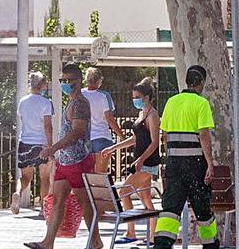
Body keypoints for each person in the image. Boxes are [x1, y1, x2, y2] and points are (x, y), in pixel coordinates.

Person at [25, 64, 101, 249]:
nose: (67, 84)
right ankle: (48, 242)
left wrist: (53, 148)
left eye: (70, 80)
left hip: (78, 160)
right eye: (63, 81)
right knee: (58, 200)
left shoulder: (81, 103)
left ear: (79, 80)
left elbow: (77, 132)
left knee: (84, 203)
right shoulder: (72, 101)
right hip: (66, 161)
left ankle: (95, 240)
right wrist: (58, 153)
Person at [153, 65, 218, 249]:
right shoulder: (201, 103)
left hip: (174, 165)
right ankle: (210, 245)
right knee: (202, 211)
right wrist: (209, 164)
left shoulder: (171, 102)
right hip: (195, 165)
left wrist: (171, 158)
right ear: (202, 82)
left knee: (170, 210)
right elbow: (203, 134)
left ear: (187, 81)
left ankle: (162, 244)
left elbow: (164, 136)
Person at [102, 77, 162, 245]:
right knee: (146, 199)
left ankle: (131, 232)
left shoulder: (152, 115)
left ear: (147, 97)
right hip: (141, 161)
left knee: (124, 192)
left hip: (147, 163)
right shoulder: (141, 114)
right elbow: (136, 138)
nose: (135, 100)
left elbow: (154, 142)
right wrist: (114, 148)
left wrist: (141, 159)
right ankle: (151, 237)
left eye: (138, 97)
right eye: (133, 96)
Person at [12, 71, 53, 214]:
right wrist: (51, 147)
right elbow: (48, 126)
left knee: (25, 177)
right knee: (45, 178)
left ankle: (18, 192)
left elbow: (23, 120)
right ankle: (43, 208)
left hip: (25, 143)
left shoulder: (23, 101)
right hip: (41, 143)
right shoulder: (46, 103)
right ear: (42, 85)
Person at [84, 67, 125, 173]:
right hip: (102, 137)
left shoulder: (80, 94)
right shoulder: (104, 96)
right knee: (100, 176)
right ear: (99, 80)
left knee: (88, 176)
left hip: (85, 138)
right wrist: (122, 137)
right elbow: (110, 119)